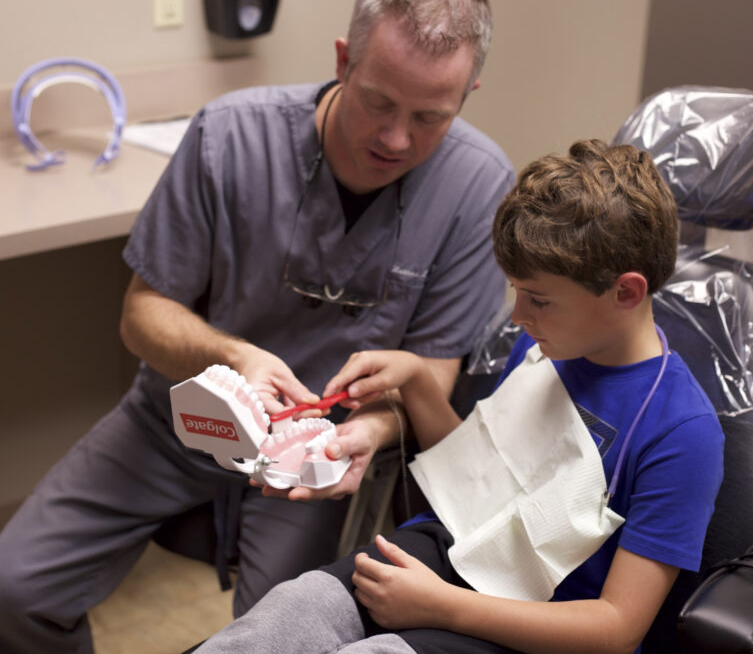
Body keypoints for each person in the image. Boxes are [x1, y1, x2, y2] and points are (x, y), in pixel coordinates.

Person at [0, 0, 515, 652]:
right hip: (183, 413)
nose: (397, 139)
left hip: (316, 456)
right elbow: (143, 314)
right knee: (9, 590)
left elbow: (429, 376)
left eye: (430, 116)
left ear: (466, 97)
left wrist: (371, 431)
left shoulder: (477, 185)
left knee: (272, 640)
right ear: (343, 60)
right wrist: (234, 357)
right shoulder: (230, 137)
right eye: (378, 102)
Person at [193, 139, 725, 654]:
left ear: (626, 292)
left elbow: (616, 629)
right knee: (292, 610)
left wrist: (442, 607)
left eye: (538, 299)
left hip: (543, 623)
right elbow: (483, 480)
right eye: (516, 292)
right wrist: (416, 381)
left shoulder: (682, 434)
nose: (518, 317)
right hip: (454, 553)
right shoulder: (544, 346)